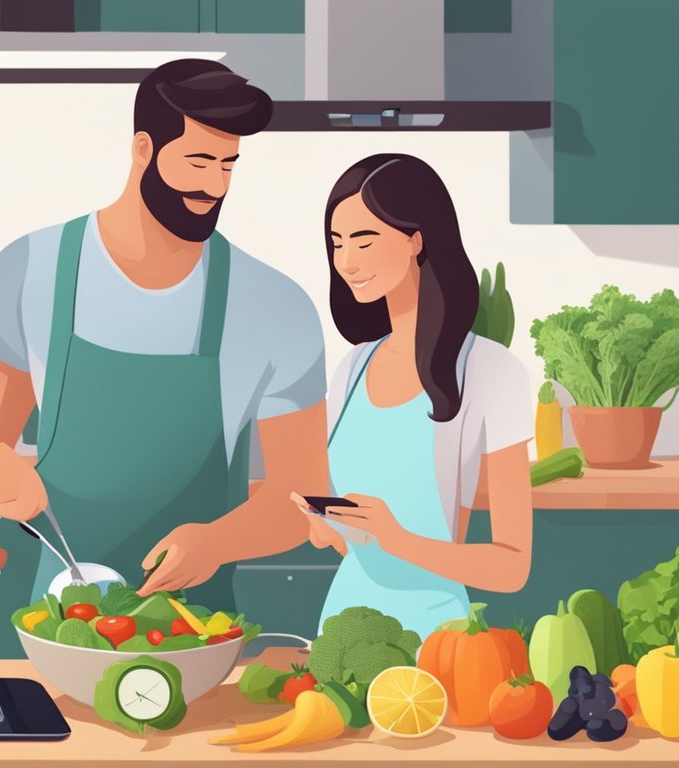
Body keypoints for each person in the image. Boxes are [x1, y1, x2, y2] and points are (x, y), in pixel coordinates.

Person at [0, 59, 330, 610]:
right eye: (199, 161)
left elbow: (302, 498)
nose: (215, 186)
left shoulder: (277, 307)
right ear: (142, 149)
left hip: (198, 634)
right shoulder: (26, 270)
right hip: (58, 622)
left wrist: (216, 542)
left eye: (229, 164)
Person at [178, 153, 533, 640]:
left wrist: (396, 539)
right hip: (340, 631)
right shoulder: (352, 368)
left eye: (364, 240)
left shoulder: (490, 371)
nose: (346, 261)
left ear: (416, 240)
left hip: (439, 645)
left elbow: (511, 569)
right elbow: (355, 547)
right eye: (337, 242)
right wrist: (329, 527)